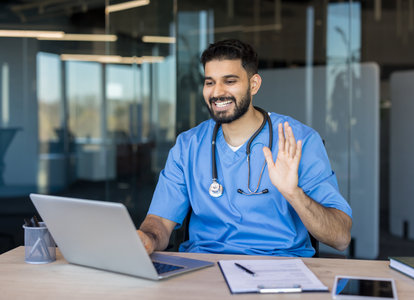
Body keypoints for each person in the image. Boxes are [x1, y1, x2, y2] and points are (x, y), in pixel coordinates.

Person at [137, 39, 352, 257]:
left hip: (279, 270)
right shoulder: (188, 146)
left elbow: (341, 238)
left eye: (229, 81)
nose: (217, 92)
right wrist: (147, 238)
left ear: (254, 84)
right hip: (204, 267)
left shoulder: (298, 140)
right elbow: (160, 221)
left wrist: (293, 193)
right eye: (209, 82)